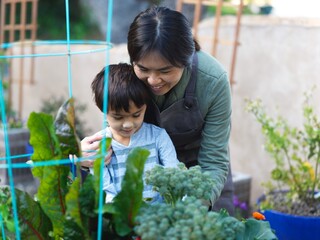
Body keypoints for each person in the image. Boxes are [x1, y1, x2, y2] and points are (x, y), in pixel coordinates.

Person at [82, 6, 234, 215]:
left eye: (165, 71)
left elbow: (214, 161)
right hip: (143, 177)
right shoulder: (124, 76)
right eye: (143, 69)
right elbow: (114, 129)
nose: (153, 81)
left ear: (186, 59)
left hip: (200, 174)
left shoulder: (213, 81)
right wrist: (91, 153)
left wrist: (191, 208)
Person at [88, 63, 179, 203]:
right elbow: (105, 190)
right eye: (118, 117)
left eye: (136, 115)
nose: (128, 124)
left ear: (145, 107)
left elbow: (173, 173)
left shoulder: (157, 136)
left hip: (159, 217)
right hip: (121, 218)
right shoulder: (101, 144)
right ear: (104, 112)